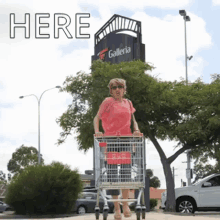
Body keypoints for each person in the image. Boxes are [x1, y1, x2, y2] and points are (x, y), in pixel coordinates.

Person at [93, 78, 141, 220]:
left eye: (120, 87)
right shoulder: (107, 102)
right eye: (114, 87)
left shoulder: (128, 103)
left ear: (125, 89)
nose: (117, 90)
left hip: (126, 140)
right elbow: (97, 118)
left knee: (126, 172)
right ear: (111, 90)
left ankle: (125, 205)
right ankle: (117, 207)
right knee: (113, 174)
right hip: (111, 140)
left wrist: (136, 130)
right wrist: (97, 131)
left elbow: (133, 119)